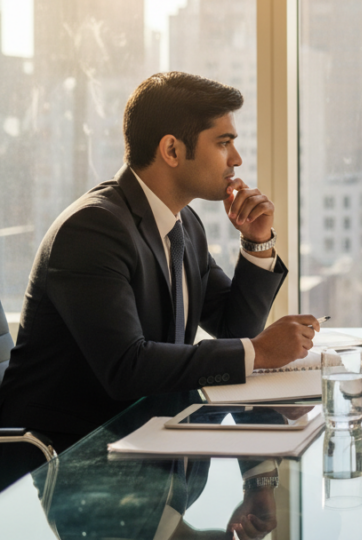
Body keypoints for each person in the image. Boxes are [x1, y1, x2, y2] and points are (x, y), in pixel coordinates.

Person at [0, 72, 319, 479]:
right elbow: (126, 366)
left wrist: (258, 244)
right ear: (171, 149)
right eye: (223, 143)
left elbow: (233, 327)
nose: (236, 159)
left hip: (151, 446)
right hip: (71, 462)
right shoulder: (94, 229)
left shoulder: (184, 222)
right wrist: (258, 352)